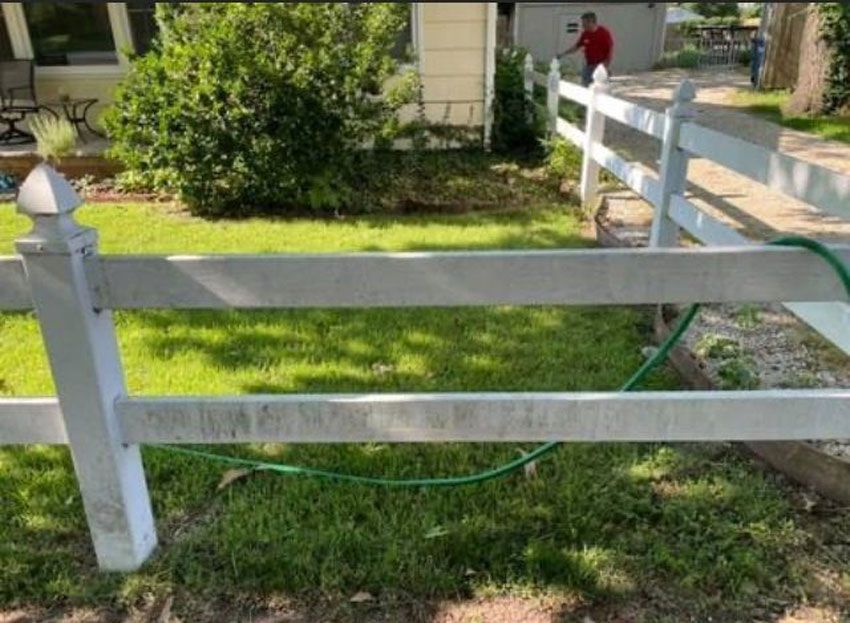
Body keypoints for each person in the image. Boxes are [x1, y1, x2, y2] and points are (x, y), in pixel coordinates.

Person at [559, 12, 614, 87]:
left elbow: (609, 50)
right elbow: (576, 46)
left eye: (584, 24)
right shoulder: (585, 34)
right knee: (585, 86)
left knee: (599, 88)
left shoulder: (604, 33)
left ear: (591, 22)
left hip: (600, 66)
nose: (583, 26)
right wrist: (563, 54)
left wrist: (605, 66)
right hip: (589, 65)